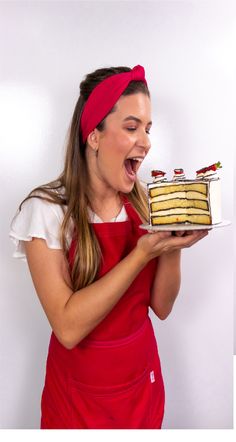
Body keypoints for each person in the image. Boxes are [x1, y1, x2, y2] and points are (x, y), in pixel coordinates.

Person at [9, 65, 208, 429]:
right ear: (94, 136)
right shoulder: (46, 211)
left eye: (148, 130)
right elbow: (68, 327)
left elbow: (161, 308)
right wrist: (143, 254)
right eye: (131, 127)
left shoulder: (145, 204)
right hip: (76, 403)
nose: (146, 142)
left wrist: (174, 241)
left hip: (141, 388)